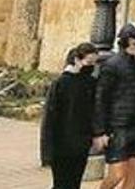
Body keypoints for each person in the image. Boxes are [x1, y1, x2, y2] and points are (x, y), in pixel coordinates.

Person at [93, 23, 135, 189]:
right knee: (118, 174)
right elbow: (101, 99)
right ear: (127, 40)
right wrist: (99, 132)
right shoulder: (111, 65)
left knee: (133, 174)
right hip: (118, 127)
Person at [41, 42, 100, 189]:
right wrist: (47, 151)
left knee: (75, 183)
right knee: (61, 184)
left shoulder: (90, 83)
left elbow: (94, 111)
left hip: (81, 143)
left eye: (94, 63)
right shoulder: (61, 83)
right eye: (88, 62)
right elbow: (50, 118)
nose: (91, 66)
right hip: (62, 145)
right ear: (77, 60)